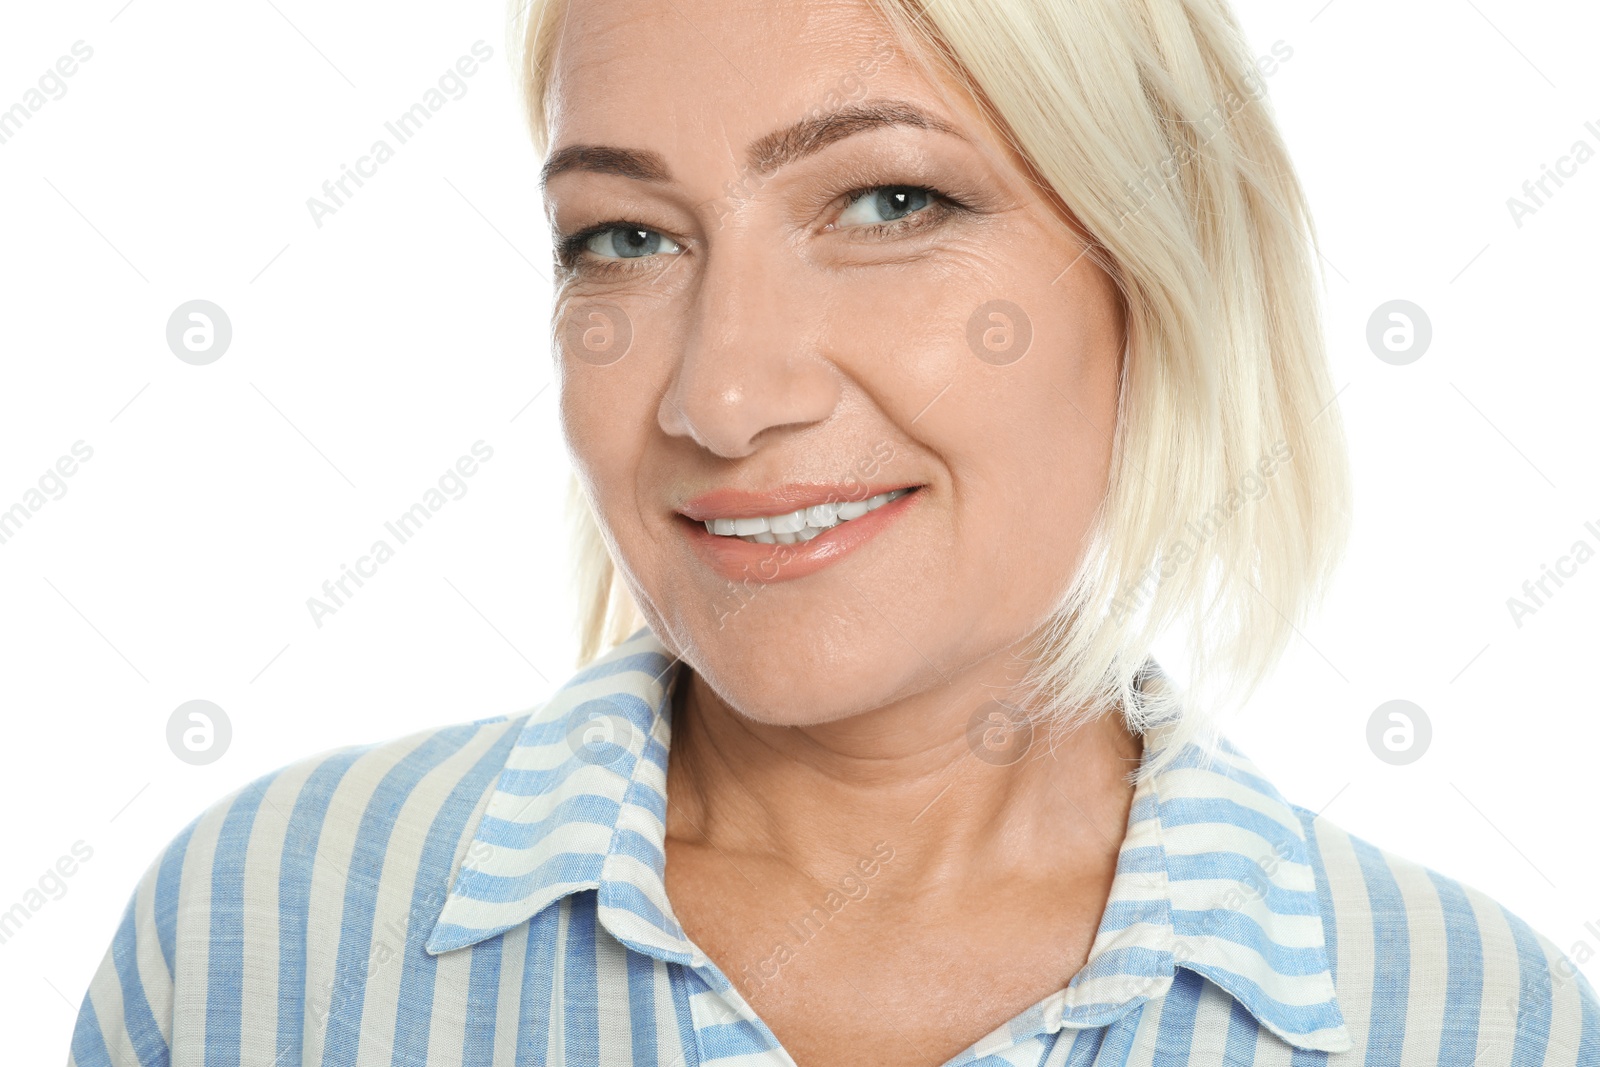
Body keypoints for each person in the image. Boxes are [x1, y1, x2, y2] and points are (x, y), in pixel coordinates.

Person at [69, 0, 1599, 1063]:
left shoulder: (1472, 1024)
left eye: (885, 204)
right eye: (628, 237)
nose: (723, 394)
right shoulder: (256, 942)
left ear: (1156, 268)